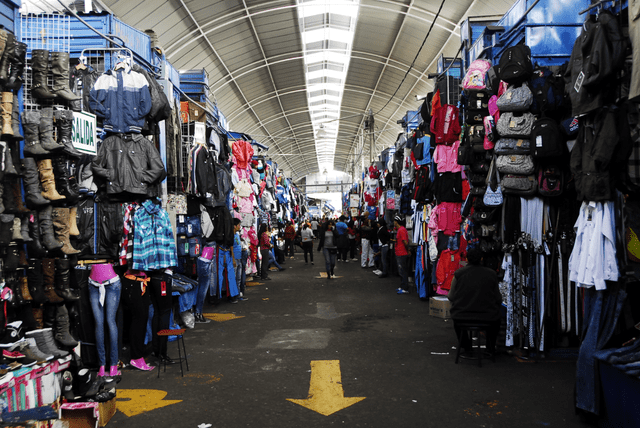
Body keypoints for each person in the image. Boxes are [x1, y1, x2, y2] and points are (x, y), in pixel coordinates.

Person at [447, 248, 502, 355]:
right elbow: (498, 298)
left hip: (462, 316)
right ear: (481, 259)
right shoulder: (491, 274)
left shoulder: (459, 273)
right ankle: (490, 347)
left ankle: (466, 346)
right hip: (487, 317)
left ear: (467, 259)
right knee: (497, 320)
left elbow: (451, 296)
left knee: (456, 321)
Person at [393, 215, 410, 294]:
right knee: (401, 270)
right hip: (400, 252)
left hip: (402, 253)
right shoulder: (400, 229)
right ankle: (402, 285)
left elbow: (405, 241)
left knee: (403, 271)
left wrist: (408, 250)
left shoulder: (401, 230)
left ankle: (405, 287)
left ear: (396, 222)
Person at [232, 219, 247, 301]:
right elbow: (231, 248)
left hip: (239, 258)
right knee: (234, 278)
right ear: (235, 226)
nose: (239, 226)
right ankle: (233, 296)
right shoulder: (231, 236)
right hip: (235, 259)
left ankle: (237, 295)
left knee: (238, 278)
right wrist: (233, 259)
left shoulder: (237, 234)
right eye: (238, 225)